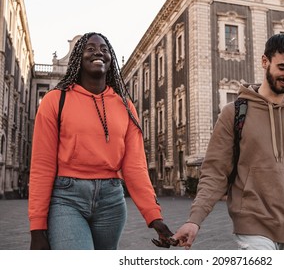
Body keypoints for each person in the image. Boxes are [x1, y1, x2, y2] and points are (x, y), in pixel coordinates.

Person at [173, 33, 284, 250]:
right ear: (265, 61)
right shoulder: (234, 113)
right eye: (282, 67)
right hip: (251, 223)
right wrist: (194, 220)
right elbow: (215, 172)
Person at [28, 32, 177, 250]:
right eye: (90, 48)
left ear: (110, 59)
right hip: (67, 200)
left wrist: (155, 217)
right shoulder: (54, 101)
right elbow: (42, 165)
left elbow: (135, 166)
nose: (98, 52)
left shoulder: (126, 106)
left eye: (104, 49)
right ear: (78, 57)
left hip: (112, 202)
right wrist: (37, 228)